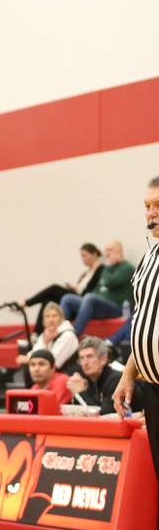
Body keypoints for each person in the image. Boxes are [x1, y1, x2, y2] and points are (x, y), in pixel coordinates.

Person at [115, 175, 159, 494]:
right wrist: (129, 373)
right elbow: (145, 321)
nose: (151, 213)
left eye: (158, 206)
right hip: (153, 388)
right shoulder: (147, 260)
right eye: (147, 206)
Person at [15, 243, 102, 335]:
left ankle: (26, 303)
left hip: (84, 301)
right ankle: (37, 334)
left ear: (94, 254)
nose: (83, 259)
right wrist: (75, 287)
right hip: (76, 297)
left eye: (85, 256)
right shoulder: (85, 273)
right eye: (82, 256)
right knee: (48, 301)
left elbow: (93, 291)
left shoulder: (101, 270)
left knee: (54, 288)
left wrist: (77, 289)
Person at [60, 240, 134, 334]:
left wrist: (107, 266)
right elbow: (98, 288)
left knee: (90, 297)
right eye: (106, 250)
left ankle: (73, 334)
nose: (107, 253)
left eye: (111, 250)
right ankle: (60, 332)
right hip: (98, 306)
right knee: (67, 299)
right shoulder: (107, 269)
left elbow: (109, 282)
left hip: (116, 309)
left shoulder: (126, 268)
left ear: (119, 251)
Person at [14, 302, 78, 374]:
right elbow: (35, 352)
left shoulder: (68, 335)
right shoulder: (46, 334)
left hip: (66, 376)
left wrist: (29, 360)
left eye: (54, 316)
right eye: (47, 316)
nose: (51, 319)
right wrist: (45, 342)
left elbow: (54, 364)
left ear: (61, 318)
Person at [67, 337, 123, 415]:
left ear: (103, 359)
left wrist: (81, 393)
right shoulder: (85, 380)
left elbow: (103, 416)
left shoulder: (116, 380)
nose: (85, 363)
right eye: (81, 358)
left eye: (89, 356)